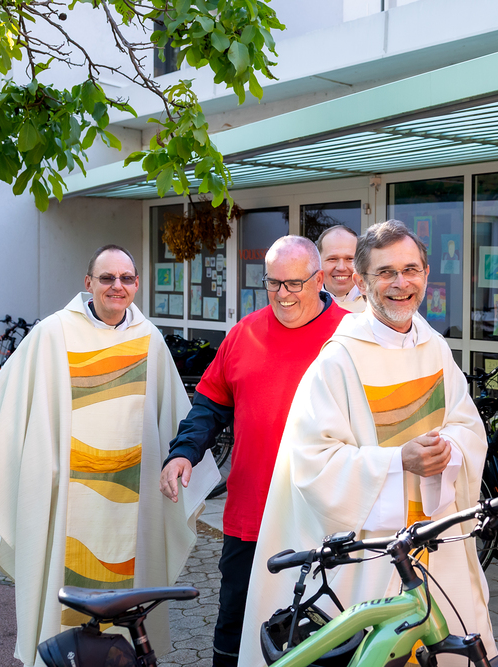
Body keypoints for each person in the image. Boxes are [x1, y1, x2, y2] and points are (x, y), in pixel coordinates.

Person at [239, 220, 493, 667]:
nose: (401, 283)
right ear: (360, 281)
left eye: (410, 270)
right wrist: (398, 462)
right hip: (372, 554)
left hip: (434, 538)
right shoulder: (339, 360)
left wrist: (450, 449)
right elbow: (313, 463)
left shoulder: (434, 347)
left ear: (426, 275)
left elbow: (467, 426)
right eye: (385, 272)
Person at [0, 244, 217, 666]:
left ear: (136, 284)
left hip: (133, 497)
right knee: (60, 599)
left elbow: (173, 417)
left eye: (126, 278)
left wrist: (182, 463)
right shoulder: (53, 333)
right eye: (107, 278)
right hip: (66, 495)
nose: (117, 286)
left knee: (129, 604)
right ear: (88, 283)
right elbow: (4, 401)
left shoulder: (149, 340)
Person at [159, 236, 348, 667]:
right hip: (251, 518)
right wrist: (184, 451)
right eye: (273, 283)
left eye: (294, 284)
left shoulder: (351, 336)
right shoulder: (244, 334)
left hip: (322, 520)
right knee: (235, 629)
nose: (282, 295)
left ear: (319, 279)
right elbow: (209, 405)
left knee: (321, 638)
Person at [317, 224, 366, 312]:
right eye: (332, 259)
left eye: (349, 259)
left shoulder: (376, 305)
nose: (341, 268)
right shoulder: (304, 304)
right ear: (318, 262)